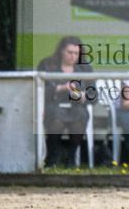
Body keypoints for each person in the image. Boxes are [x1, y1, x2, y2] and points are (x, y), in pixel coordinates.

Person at [37, 36, 93, 167]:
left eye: (76, 53)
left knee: (81, 116)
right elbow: (38, 90)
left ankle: (71, 156)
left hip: (76, 106)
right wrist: (61, 88)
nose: (73, 57)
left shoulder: (85, 69)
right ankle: (52, 156)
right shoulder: (47, 65)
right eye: (69, 52)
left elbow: (94, 95)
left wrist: (84, 97)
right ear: (61, 51)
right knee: (56, 117)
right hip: (53, 106)